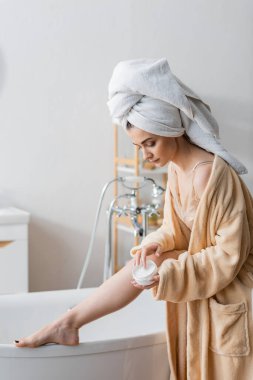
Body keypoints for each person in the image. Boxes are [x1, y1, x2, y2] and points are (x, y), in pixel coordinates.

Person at [14, 58, 253, 380]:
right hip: (208, 270)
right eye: (138, 146)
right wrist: (156, 244)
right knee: (142, 265)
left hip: (235, 283)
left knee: (148, 271)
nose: (145, 155)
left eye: (150, 143)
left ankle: (66, 323)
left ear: (173, 131)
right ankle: (67, 323)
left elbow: (230, 253)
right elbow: (178, 231)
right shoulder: (178, 169)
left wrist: (168, 272)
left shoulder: (207, 173)